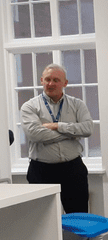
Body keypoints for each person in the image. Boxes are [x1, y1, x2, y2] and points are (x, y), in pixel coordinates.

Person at [21, 63, 93, 213]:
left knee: (79, 218)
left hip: (72, 169)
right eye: (47, 79)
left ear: (65, 83)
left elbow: (87, 129)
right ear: (41, 80)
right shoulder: (29, 107)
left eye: (56, 80)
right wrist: (70, 133)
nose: (50, 83)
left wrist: (57, 126)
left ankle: (80, 239)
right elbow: (35, 134)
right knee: (42, 219)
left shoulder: (77, 104)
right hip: (41, 171)